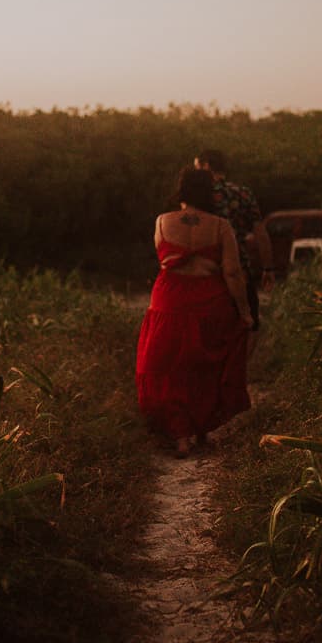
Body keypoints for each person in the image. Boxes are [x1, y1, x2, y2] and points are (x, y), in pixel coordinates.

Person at [135, 167, 252, 457]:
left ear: (182, 190)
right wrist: (244, 311)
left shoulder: (162, 222)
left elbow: (164, 259)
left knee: (169, 367)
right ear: (209, 193)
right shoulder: (220, 226)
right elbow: (233, 273)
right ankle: (201, 430)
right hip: (209, 300)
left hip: (169, 301)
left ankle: (180, 436)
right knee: (204, 366)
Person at [194, 149, 274, 331]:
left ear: (206, 166)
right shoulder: (243, 194)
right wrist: (268, 268)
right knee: (249, 328)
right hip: (241, 271)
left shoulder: (198, 198)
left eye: (197, 168)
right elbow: (261, 234)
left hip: (207, 274)